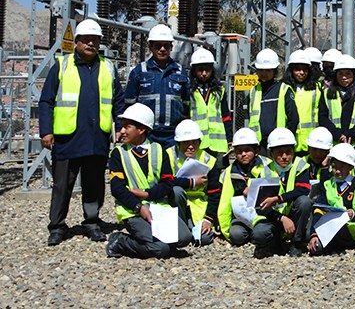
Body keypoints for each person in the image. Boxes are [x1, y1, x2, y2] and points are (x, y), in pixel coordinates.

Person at [39, 18, 124, 246]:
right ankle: (57, 226)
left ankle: (92, 223)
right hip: (67, 138)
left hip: (97, 137)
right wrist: (46, 131)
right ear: (76, 42)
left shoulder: (108, 67)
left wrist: (119, 127)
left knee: (94, 183)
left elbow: (118, 101)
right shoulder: (62, 66)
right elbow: (46, 100)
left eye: (94, 40)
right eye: (85, 40)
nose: (90, 43)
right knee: (62, 185)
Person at [105, 103, 194, 258]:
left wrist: (147, 194)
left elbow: (167, 184)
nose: (122, 131)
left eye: (127, 127)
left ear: (141, 129)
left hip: (158, 208)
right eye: (122, 126)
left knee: (184, 238)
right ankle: (120, 241)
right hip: (132, 211)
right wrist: (138, 207)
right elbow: (117, 189)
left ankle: (159, 240)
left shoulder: (159, 150)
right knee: (160, 249)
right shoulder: (118, 154)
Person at [123, 23, 191, 148]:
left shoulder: (181, 72)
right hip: (147, 134)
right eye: (158, 45)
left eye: (166, 45)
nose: (162, 49)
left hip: (173, 135)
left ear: (171, 47)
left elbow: (187, 104)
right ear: (150, 47)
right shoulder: (139, 72)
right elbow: (129, 105)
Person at [208, 127, 275, 248]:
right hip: (240, 217)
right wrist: (225, 231)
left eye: (247, 150)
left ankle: (259, 232)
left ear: (256, 150)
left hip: (263, 215)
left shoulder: (268, 166)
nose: (243, 154)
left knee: (261, 234)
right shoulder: (228, 172)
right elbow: (224, 201)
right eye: (239, 151)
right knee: (236, 235)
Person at [253, 127, 312, 258]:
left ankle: (296, 243)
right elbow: (261, 207)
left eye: (288, 152)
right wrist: (281, 218)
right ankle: (276, 243)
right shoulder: (265, 172)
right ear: (271, 153)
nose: (284, 157)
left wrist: (278, 199)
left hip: (295, 215)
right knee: (259, 234)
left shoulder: (300, 165)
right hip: (275, 218)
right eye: (279, 153)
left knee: (304, 201)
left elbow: (303, 189)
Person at [167, 119, 220, 246]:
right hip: (174, 204)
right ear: (178, 143)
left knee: (205, 239)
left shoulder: (209, 160)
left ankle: (187, 230)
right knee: (176, 191)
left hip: (198, 207)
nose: (190, 146)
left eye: (194, 142)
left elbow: (215, 193)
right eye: (186, 142)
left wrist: (208, 218)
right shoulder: (167, 155)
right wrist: (191, 183)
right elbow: (165, 182)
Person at [308, 143, 355, 254]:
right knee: (316, 248)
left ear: (350, 167)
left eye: (342, 167)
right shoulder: (327, 184)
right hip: (329, 227)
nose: (337, 171)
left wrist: (354, 214)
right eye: (334, 166)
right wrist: (314, 234)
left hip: (350, 229)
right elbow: (319, 209)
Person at [283, 50, 333, 155]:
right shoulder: (284, 89)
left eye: (305, 70)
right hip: (290, 141)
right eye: (297, 69)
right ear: (291, 71)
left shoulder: (316, 89)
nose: (301, 73)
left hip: (312, 143)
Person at [188, 48, 232, 161]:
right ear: (194, 71)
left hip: (217, 145)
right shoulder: (188, 91)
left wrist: (230, 139)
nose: (204, 73)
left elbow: (226, 116)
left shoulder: (219, 90)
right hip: (196, 142)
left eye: (207, 70)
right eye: (200, 70)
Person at [245, 48, 296, 143]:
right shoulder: (253, 91)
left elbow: (293, 119)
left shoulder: (284, 89)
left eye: (268, 70)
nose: (264, 73)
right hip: (258, 143)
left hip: (279, 143)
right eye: (261, 70)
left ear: (274, 71)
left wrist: (287, 140)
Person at [328, 54, 355, 143]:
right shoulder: (326, 94)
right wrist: (337, 134)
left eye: (348, 74)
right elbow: (322, 118)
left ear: (354, 75)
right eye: (340, 74)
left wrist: (351, 134)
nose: (344, 77)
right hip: (333, 142)